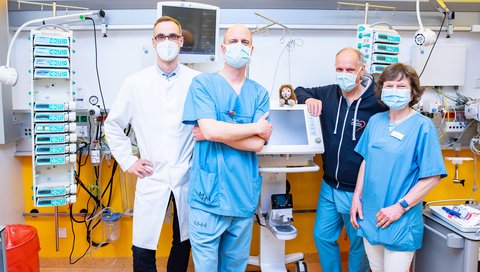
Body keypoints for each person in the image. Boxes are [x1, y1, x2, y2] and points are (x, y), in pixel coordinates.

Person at [104, 16, 199, 272]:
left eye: (172, 36)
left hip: (186, 174)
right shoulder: (135, 83)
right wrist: (129, 160)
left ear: (181, 41)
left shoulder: (197, 81)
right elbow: (112, 125)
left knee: (183, 241)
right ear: (153, 42)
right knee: (143, 245)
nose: (166, 41)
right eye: (161, 37)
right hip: (152, 174)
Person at [182, 24, 272, 272]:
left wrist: (214, 133)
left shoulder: (259, 93)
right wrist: (254, 127)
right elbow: (211, 131)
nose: (239, 47)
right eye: (233, 41)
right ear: (223, 48)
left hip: (242, 196)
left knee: (234, 268)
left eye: (244, 42)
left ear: (252, 50)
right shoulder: (202, 85)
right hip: (207, 197)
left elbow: (257, 144)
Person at [294, 47, 386, 272]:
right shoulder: (329, 94)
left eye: (350, 69)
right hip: (329, 185)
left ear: (362, 70)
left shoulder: (376, 101)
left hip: (359, 190)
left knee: (358, 245)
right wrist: (307, 100)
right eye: (339, 69)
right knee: (322, 237)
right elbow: (299, 90)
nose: (344, 73)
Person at [350, 63, 447, 271]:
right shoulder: (376, 121)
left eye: (401, 86)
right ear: (382, 90)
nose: (394, 91)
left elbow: (432, 177)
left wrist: (400, 207)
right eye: (389, 85)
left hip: (399, 219)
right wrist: (356, 198)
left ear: (412, 93)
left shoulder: (423, 127)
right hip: (370, 215)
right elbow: (366, 160)